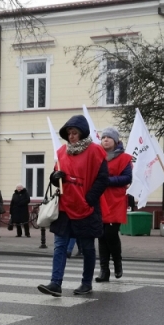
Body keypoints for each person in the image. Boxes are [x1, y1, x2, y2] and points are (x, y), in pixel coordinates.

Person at [37, 115, 108, 297]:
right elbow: (55, 175)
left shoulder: (96, 151)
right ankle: (55, 283)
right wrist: (55, 177)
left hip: (86, 207)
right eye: (69, 133)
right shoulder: (61, 152)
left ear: (82, 133)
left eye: (74, 133)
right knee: (60, 245)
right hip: (65, 206)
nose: (71, 136)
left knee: (87, 247)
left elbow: (102, 180)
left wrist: (89, 200)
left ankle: (86, 283)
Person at [95, 127, 132, 282]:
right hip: (99, 200)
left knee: (110, 234)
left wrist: (107, 181)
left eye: (109, 137)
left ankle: (117, 262)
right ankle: (104, 270)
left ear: (116, 141)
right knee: (101, 236)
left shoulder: (124, 158)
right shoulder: (97, 157)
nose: (105, 140)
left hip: (115, 201)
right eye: (103, 137)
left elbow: (126, 178)